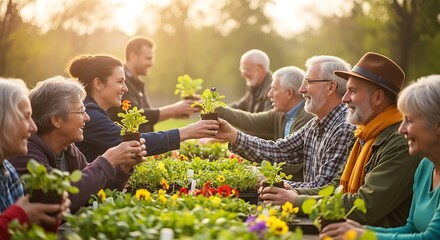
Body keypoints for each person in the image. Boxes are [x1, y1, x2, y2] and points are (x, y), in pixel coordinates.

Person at [259, 52, 422, 228]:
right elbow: (337, 187)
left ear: (378, 97)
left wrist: (297, 200)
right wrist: (294, 191)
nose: (344, 99)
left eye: (352, 91)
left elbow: (366, 205)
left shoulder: (399, 141)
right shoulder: (365, 134)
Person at [320, 75, 440, 239]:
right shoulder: (425, 167)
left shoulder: (397, 144)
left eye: (409, 120)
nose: (401, 129)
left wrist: (363, 235)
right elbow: (411, 228)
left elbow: (431, 237)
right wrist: (360, 231)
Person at [9, 76, 147, 214]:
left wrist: (123, 168)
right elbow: (61, 198)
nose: (87, 117)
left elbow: (95, 194)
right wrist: (108, 160)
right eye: (81, 111)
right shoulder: (25, 153)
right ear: (56, 120)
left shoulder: (68, 149)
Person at [214, 55, 355, 189]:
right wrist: (232, 135)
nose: (301, 90)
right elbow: (279, 150)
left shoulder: (343, 127)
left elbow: (324, 189)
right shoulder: (315, 124)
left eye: (308, 82)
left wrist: (271, 181)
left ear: (330, 87)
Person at [68, 55, 218, 162]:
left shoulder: (93, 110)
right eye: (120, 82)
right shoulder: (89, 114)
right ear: (98, 83)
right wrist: (187, 132)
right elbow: (127, 143)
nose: (125, 89)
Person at [0, 78, 70, 239]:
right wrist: (20, 215)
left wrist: (46, 218)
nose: (34, 127)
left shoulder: (7, 170)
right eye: (25, 117)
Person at [218, 66, 314, 181]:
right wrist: (216, 108)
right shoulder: (280, 113)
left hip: (295, 189)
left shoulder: (306, 118)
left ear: (289, 93)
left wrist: (259, 171)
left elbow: (290, 165)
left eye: (274, 89)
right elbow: (250, 121)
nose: (269, 94)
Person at [107, 37, 199, 132]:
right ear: (133, 56)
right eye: (148, 58)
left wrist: (174, 113)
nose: (151, 63)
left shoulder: (137, 83)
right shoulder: (121, 82)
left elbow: (146, 118)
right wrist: (173, 110)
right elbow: (136, 116)